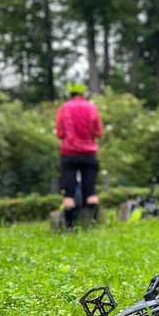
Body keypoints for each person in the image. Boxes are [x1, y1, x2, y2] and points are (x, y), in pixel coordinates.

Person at [55, 82, 103, 229]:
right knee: (91, 192)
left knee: (69, 194)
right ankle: (93, 223)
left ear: (70, 94)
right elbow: (98, 132)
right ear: (83, 94)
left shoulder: (64, 108)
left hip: (69, 154)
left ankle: (69, 226)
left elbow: (60, 133)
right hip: (89, 154)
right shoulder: (92, 107)